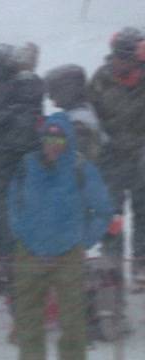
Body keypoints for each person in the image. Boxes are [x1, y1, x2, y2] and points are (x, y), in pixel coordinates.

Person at [8, 112, 113, 360]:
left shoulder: (81, 169)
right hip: (29, 254)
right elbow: (13, 202)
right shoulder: (26, 165)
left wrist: (82, 240)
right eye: (48, 139)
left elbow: (103, 211)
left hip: (68, 256)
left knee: (73, 325)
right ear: (41, 139)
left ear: (69, 141)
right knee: (28, 322)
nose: (53, 146)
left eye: (59, 140)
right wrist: (22, 233)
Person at [0, 43, 44, 295]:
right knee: (10, 221)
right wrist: (28, 76)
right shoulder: (15, 87)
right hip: (10, 164)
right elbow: (24, 128)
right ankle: (6, 273)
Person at [88, 27, 145, 290]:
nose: (129, 66)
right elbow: (91, 117)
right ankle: (112, 265)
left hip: (141, 155)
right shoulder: (101, 79)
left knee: (143, 211)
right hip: (111, 157)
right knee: (111, 213)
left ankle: (141, 263)